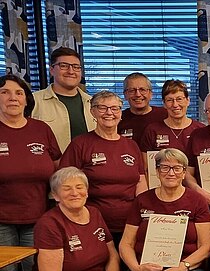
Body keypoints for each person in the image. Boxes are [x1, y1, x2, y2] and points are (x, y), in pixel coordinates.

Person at [0, 75, 61, 271]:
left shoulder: (41, 130)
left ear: (27, 99)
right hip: (2, 220)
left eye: (18, 93)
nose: (12, 97)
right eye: (4, 92)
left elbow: (57, 165)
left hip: (38, 217)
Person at [60, 90, 148, 244]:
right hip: (91, 224)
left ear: (120, 113)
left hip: (129, 225)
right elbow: (64, 183)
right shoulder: (80, 144)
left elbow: (140, 182)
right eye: (102, 108)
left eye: (115, 108)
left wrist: (142, 216)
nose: (109, 113)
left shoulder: (131, 145)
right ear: (92, 111)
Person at [140, 80, 204, 187]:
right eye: (170, 100)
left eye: (179, 99)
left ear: (188, 100)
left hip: (193, 190)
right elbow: (146, 169)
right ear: (164, 104)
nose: (175, 105)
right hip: (161, 190)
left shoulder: (200, 130)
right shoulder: (152, 130)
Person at [31, 47, 95, 152]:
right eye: (64, 66)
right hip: (50, 162)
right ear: (52, 70)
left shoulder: (93, 103)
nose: (71, 71)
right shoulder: (33, 101)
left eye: (76, 67)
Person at [118, 72, 168, 144]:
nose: (138, 94)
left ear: (151, 94)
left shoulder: (165, 115)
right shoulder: (118, 119)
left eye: (142, 90)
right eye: (132, 90)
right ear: (125, 95)